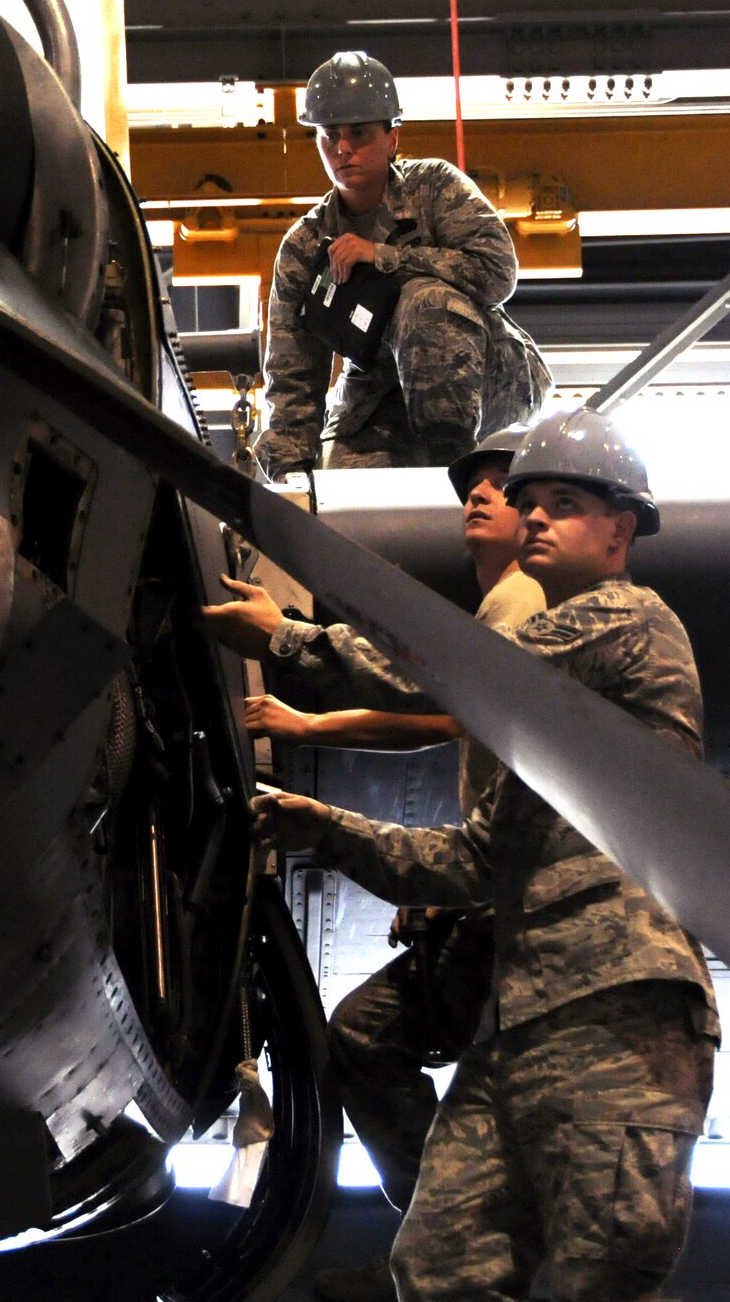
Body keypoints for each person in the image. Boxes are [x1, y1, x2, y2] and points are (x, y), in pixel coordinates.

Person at [249, 408, 715, 1302]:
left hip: (622, 1011)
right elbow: (473, 860)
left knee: (602, 1271)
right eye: (528, 500)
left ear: (622, 530)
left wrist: (287, 638)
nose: (532, 515)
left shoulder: (626, 623)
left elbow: (455, 666)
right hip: (520, 1022)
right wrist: (324, 826)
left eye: (564, 503)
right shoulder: (540, 728)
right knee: (436, 1270)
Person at [208, 430, 546, 1302]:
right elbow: (448, 719)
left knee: (405, 1056)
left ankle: (456, 1264)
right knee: (366, 1033)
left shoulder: (524, 600)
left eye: (504, 488)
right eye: (472, 484)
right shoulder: (506, 608)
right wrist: (311, 727)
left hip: (517, 915)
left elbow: (435, 688)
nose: (480, 495)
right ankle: (441, 1256)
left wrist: (286, 634)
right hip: (485, 897)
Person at [254, 51, 549, 477]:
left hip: (487, 380)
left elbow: (498, 273)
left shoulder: (436, 187)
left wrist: (385, 257)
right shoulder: (306, 246)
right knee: (346, 501)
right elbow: (292, 378)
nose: (342, 148)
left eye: (359, 133)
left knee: (424, 299)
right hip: (382, 398)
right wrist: (290, 484)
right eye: (329, 134)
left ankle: (452, 472)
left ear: (392, 139)